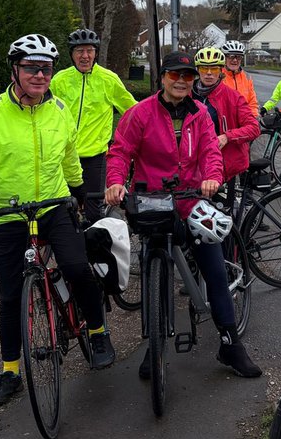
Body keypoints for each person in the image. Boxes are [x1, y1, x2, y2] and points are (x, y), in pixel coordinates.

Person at [0, 34, 115, 407]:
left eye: (45, 68)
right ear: (15, 70)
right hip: (9, 213)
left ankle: (98, 330)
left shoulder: (57, 108)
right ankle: (11, 370)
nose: (39, 75)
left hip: (53, 206)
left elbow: (69, 153)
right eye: (31, 67)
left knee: (76, 266)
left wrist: (76, 188)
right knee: (11, 295)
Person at [105, 49, 261, 378]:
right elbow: (120, 151)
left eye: (187, 76)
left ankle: (230, 343)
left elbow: (209, 152)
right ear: (162, 77)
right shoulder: (140, 113)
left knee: (214, 267)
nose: (181, 81)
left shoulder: (200, 114)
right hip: (152, 203)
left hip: (192, 201)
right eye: (175, 75)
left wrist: (213, 177)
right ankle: (155, 346)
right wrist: (116, 183)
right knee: (152, 269)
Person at [50, 27, 138, 224]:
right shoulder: (59, 80)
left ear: (96, 53)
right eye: (79, 51)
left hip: (95, 156)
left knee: (93, 211)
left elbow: (133, 112)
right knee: (62, 207)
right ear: (71, 55)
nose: (85, 56)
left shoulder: (108, 79)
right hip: (63, 154)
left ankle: (93, 251)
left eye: (89, 50)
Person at [193, 45, 260, 213]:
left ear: (220, 70)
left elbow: (253, 128)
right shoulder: (188, 94)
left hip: (225, 164)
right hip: (194, 164)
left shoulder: (232, 96)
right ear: (197, 70)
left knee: (223, 214)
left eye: (214, 68)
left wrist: (227, 137)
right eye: (204, 68)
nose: (209, 73)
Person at [222, 39, 258, 113]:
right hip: (225, 120)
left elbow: (252, 102)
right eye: (231, 56)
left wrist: (254, 118)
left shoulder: (247, 77)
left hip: (244, 119)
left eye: (238, 57)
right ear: (224, 58)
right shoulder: (218, 76)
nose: (235, 60)